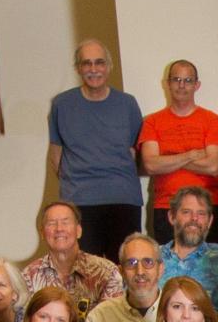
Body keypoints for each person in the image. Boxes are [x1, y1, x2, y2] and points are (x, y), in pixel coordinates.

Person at [48, 38, 146, 263]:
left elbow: (137, 152)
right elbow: (56, 155)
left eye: (99, 63)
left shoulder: (127, 104)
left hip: (123, 200)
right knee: (84, 270)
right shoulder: (61, 105)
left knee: (125, 268)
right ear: (78, 68)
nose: (94, 69)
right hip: (80, 201)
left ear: (109, 67)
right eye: (87, 63)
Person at [137, 58, 218, 242]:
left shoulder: (212, 120)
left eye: (188, 80)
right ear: (167, 84)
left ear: (197, 85)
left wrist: (168, 159)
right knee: (171, 269)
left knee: (211, 268)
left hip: (209, 206)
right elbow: (150, 165)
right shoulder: (152, 122)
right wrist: (190, 155)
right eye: (176, 79)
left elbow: (212, 166)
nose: (182, 85)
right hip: (167, 207)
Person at [157, 186, 218, 313]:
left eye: (201, 214)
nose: (194, 219)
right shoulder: (152, 257)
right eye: (186, 212)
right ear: (172, 217)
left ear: (210, 220)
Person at [21, 201, 124, 317]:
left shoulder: (106, 272)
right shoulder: (29, 276)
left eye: (65, 222)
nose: (59, 228)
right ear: (42, 234)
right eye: (51, 223)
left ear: (79, 231)